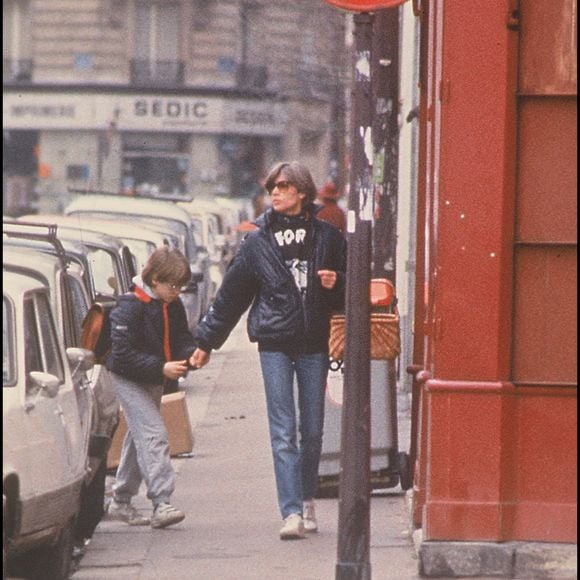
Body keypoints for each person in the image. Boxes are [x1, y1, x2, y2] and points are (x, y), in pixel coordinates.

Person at [191, 161, 347, 540]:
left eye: (282, 186)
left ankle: (307, 497)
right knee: (283, 431)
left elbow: (354, 289)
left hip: (313, 343)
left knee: (312, 431)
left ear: (302, 192)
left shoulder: (328, 237)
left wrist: (337, 281)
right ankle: (290, 511)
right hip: (274, 343)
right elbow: (231, 297)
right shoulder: (256, 242)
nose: (274, 193)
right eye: (271, 187)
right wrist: (205, 342)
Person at [106, 247, 197, 529]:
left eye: (181, 286)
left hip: (155, 375)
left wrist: (191, 353)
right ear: (154, 279)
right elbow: (121, 355)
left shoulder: (171, 303)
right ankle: (161, 503)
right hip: (128, 376)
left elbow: (181, 336)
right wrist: (161, 367)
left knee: (140, 437)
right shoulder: (130, 306)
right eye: (173, 285)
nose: (177, 291)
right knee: (154, 434)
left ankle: (121, 501)